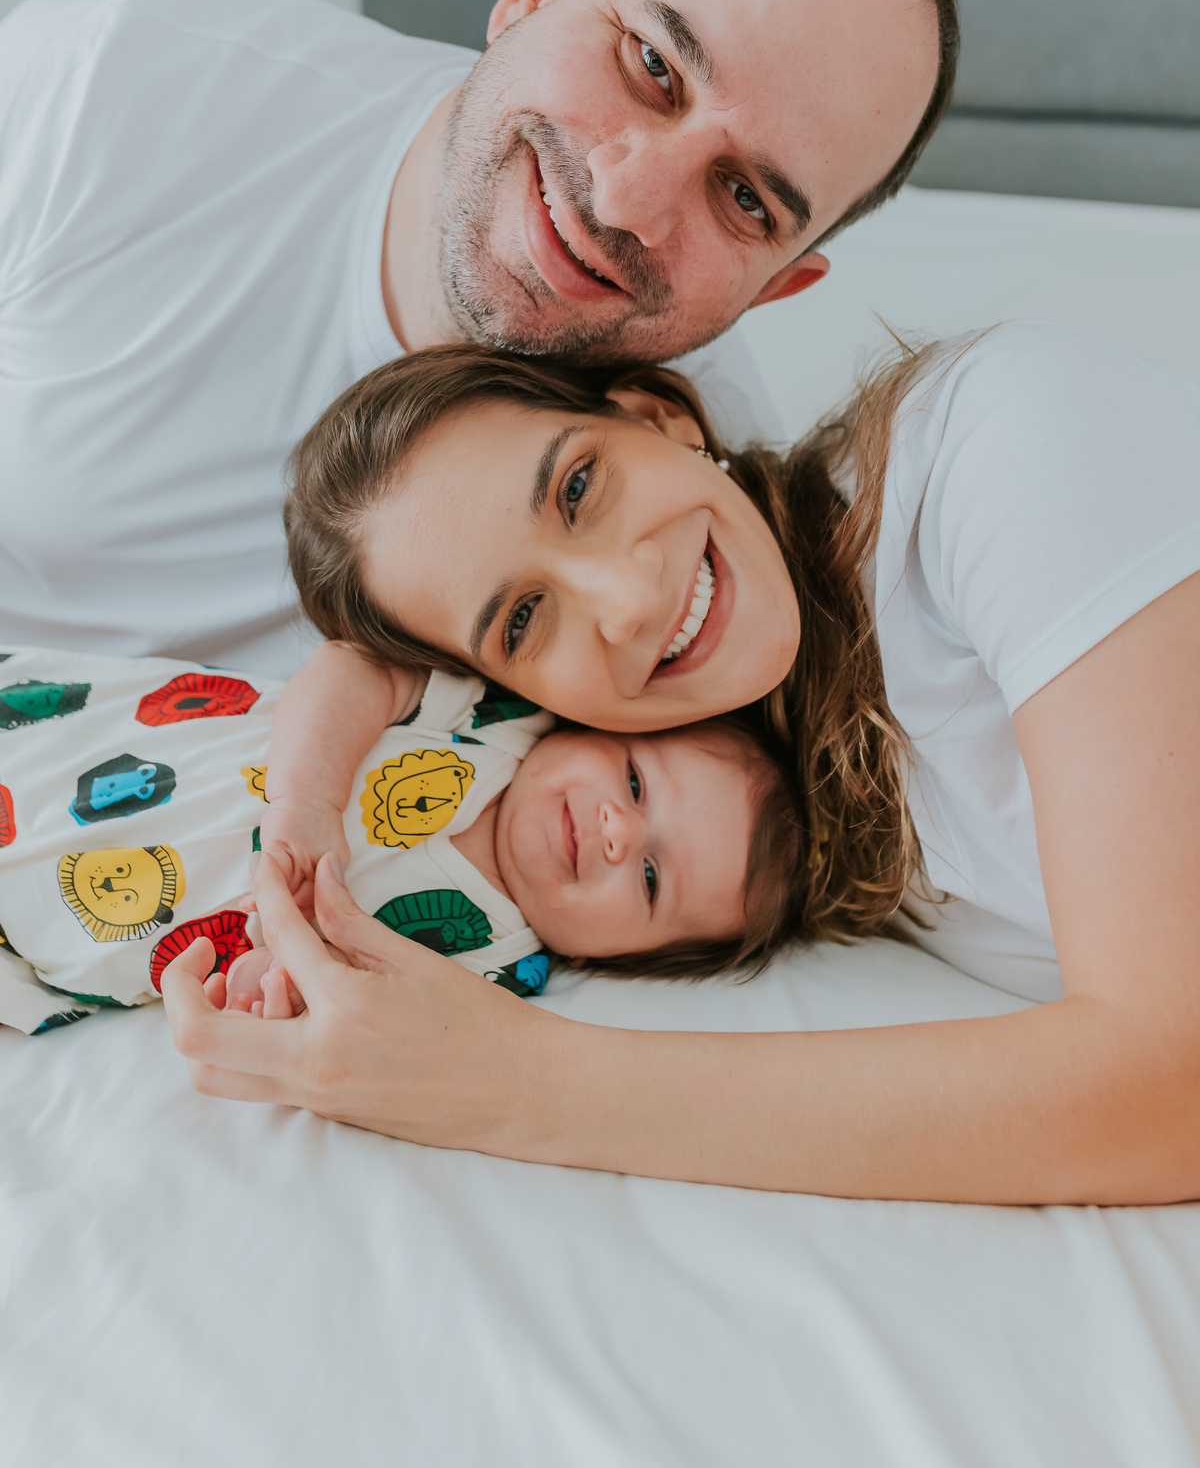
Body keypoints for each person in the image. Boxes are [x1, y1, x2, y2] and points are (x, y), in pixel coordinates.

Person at [164, 320, 1200, 1206]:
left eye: (579, 487)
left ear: (660, 416)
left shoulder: (999, 448)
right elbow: (359, 673)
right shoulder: (760, 800)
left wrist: (513, 1082)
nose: (628, 598)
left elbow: (1174, 1075)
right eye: (524, 618)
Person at [0, 0, 955, 680]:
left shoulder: (693, 529)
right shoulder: (99, 88)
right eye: (653, 65)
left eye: (746, 200)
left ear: (775, 288)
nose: (627, 201)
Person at [0, 639, 800, 1035]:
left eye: (654, 878)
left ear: (628, 961)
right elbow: (354, 669)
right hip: (74, 746)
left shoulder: (499, 972)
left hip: (54, 949)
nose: (619, 830)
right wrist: (307, 799)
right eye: (632, 781)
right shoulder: (498, 717)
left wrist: (273, 991)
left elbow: (354, 1020)